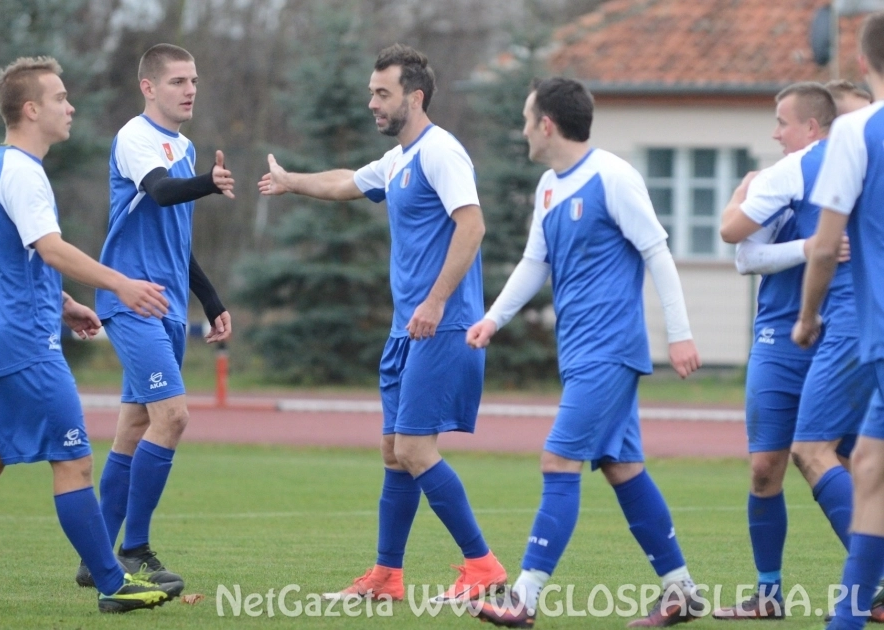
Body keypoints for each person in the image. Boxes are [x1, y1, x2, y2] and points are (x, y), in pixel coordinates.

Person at [258, 43, 506, 603]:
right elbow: (346, 182)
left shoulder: (441, 152)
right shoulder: (398, 159)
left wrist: (436, 302)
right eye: (371, 92)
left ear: (414, 98)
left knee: (415, 451)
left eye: (382, 93)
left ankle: (483, 567)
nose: (372, 102)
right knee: (395, 452)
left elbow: (472, 226)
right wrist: (291, 180)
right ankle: (386, 577)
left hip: (443, 324)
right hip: (406, 331)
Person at [466, 77, 703, 628]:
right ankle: (682, 591)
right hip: (579, 353)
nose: (523, 130)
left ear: (547, 124)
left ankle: (523, 599)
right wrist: (493, 318)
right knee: (623, 468)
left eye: (527, 120)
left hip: (610, 350)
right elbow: (535, 263)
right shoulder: (549, 187)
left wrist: (680, 333)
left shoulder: (613, 177)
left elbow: (658, 253)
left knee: (558, 461)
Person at [0, 56, 178, 613]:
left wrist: (65, 303)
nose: (70, 107)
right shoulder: (23, 170)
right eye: (59, 98)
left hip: (1, 339)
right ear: (31, 109)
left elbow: (9, 260)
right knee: (73, 462)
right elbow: (50, 249)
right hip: (26, 346)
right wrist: (120, 284)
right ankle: (113, 584)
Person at [74, 43, 234, 591]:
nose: (190, 90)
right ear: (148, 87)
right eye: (177, 81)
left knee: (136, 426)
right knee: (173, 416)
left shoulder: (185, 147)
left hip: (167, 306)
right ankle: (135, 549)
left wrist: (211, 300)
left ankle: (95, 556)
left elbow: (176, 241)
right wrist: (208, 183)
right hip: (131, 300)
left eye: (194, 80)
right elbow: (162, 193)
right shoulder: (135, 137)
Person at [719, 82, 876, 619]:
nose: (774, 132)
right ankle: (768, 594)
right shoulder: (780, 176)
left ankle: (872, 586)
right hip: (780, 337)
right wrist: (806, 247)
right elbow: (743, 254)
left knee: (844, 460)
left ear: (813, 125)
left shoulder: (859, 171)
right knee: (766, 466)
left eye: (781, 122)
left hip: (841, 333)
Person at [792, 12, 884, 630]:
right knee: (870, 466)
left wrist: (806, 318)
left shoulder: (856, 131)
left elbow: (826, 246)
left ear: (863, 62)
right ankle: (846, 619)